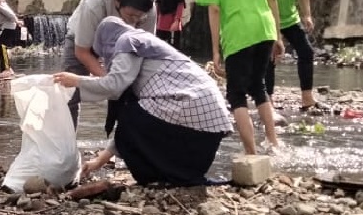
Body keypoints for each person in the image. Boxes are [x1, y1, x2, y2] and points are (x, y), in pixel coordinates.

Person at [53, 16, 233, 186]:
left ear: (106, 43)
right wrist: (99, 161)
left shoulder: (127, 41)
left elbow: (114, 87)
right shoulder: (145, 42)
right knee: (135, 114)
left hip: (194, 121)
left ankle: (158, 176)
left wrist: (76, 81)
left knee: (130, 114)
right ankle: (173, 176)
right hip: (208, 135)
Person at [195, 0, 284, 155]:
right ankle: (273, 143)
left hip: (238, 32)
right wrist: (278, 35)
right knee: (258, 85)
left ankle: (251, 153)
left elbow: (214, 9)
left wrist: (215, 51)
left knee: (236, 93)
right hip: (265, 28)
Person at [62, 0, 157, 127]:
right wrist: (110, 81)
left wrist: (127, 83)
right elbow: (82, 52)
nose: (134, 21)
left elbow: (144, 50)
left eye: (139, 17)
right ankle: (66, 145)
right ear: (117, 2)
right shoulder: (95, 3)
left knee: (133, 94)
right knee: (70, 92)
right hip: (84, 38)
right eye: (130, 15)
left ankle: (126, 143)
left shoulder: (148, 8)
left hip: (125, 43)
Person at [265, 0, 323, 112]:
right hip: (269, 18)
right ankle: (269, 100)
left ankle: (307, 98)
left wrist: (307, 15)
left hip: (290, 18)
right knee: (271, 58)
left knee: (306, 52)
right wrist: (276, 34)